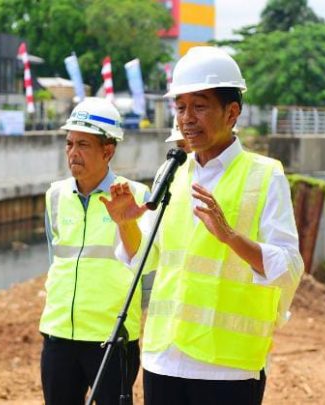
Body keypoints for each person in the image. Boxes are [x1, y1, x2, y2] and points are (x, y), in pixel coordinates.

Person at [101, 46, 304, 405]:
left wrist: (230, 238)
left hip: (227, 365)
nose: (187, 118)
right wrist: (124, 224)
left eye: (200, 105)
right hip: (164, 357)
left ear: (232, 112)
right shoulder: (174, 172)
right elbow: (144, 259)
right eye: (180, 107)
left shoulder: (265, 176)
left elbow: (287, 267)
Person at [38, 97, 149, 405]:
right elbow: (54, 257)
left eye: (83, 145)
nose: (73, 153)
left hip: (112, 339)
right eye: (69, 143)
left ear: (108, 150)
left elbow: (147, 266)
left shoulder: (136, 197)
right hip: (59, 335)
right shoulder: (55, 195)